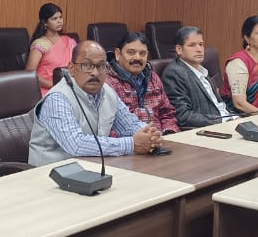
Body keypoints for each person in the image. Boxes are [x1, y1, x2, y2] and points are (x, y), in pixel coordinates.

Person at [28, 41, 162, 165]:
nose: (95, 73)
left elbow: (129, 125)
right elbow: (76, 144)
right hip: (49, 174)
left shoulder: (107, 91)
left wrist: (149, 134)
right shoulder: (57, 98)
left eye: (101, 66)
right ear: (72, 68)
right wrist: (132, 144)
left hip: (91, 168)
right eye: (87, 65)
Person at [104, 32, 180, 133]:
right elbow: (106, 126)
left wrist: (169, 132)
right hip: (130, 140)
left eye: (142, 53)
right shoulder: (107, 82)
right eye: (131, 52)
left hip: (160, 137)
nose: (137, 58)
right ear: (118, 54)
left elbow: (167, 113)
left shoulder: (153, 77)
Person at [163, 26, 236, 129]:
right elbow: (183, 116)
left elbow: (219, 105)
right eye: (192, 45)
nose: (199, 49)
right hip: (210, 128)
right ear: (179, 49)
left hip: (228, 121)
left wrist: (235, 117)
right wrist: (222, 121)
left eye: (201, 44)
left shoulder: (202, 70)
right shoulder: (174, 73)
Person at [26, 2, 75, 95]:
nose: (59, 21)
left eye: (60, 17)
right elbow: (29, 74)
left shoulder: (70, 41)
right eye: (54, 18)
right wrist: (54, 85)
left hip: (70, 87)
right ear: (45, 22)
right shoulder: (40, 44)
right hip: (48, 90)